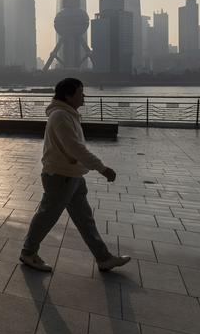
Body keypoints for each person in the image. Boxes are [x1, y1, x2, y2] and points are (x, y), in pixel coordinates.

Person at [20, 78, 131, 272]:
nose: (84, 96)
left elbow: (74, 148)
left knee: (84, 219)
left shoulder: (68, 114)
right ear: (68, 95)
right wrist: (102, 168)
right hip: (60, 176)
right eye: (80, 92)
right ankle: (28, 252)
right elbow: (75, 148)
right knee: (47, 216)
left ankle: (104, 258)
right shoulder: (61, 116)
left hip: (72, 175)